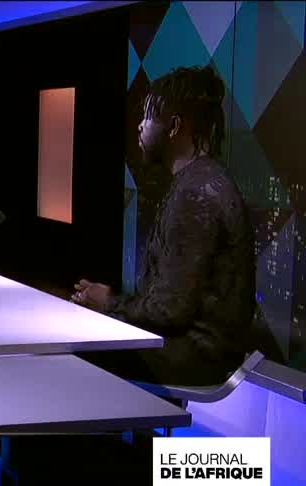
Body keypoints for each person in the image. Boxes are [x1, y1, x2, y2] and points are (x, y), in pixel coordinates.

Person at [72, 66, 256, 387]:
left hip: (187, 361)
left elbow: (170, 312)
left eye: (147, 116)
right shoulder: (199, 180)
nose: (140, 126)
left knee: (71, 348)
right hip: (190, 355)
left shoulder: (195, 192)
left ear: (174, 127)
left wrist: (109, 302)